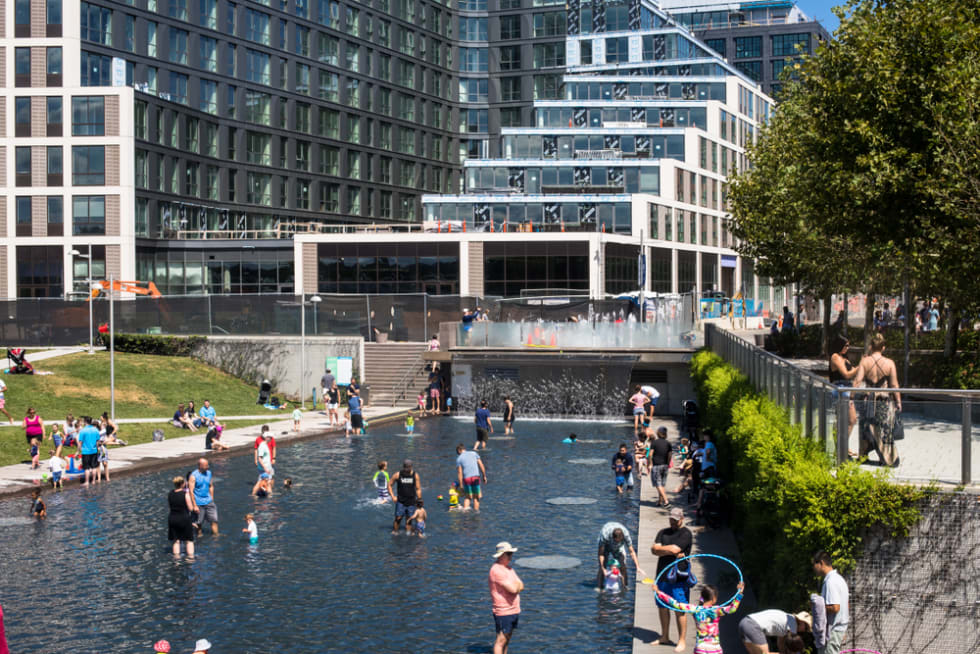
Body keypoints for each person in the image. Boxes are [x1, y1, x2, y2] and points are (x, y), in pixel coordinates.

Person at [852, 333, 901, 467]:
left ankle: (863, 455)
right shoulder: (889, 363)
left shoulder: (865, 361)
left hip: (867, 400)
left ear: (871, 347)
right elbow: (894, 385)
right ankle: (886, 457)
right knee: (884, 429)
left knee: (865, 427)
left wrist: (851, 397)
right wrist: (898, 402)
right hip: (883, 400)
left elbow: (857, 381)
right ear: (883, 348)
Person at [654, 582, 744, 654]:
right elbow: (732, 608)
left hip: (700, 647)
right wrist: (739, 593)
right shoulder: (716, 610)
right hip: (714, 648)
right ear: (714, 598)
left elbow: (675, 604)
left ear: (702, 597)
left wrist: (659, 592)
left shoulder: (695, 609)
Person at [652, 507, 694, 651]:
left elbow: (674, 549)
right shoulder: (662, 532)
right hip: (662, 576)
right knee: (662, 607)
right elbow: (653, 550)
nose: (673, 522)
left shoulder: (686, 533)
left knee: (679, 608)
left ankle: (681, 640)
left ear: (682, 519)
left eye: (675, 520)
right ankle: (664, 636)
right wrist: (668, 550)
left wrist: (662, 549)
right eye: (671, 519)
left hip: (679, 577)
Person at [489, 542, 523, 654]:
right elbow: (514, 589)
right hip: (504, 611)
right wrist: (516, 586)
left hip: (513, 610)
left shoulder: (509, 569)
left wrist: (516, 586)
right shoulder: (497, 571)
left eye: (511, 553)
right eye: (508, 553)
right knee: (501, 640)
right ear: (501, 555)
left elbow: (521, 585)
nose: (511, 556)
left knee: (507, 639)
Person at [812, 551, 849, 654]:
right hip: (838, 629)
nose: (813, 568)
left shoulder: (831, 581)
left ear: (821, 563)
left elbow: (835, 607)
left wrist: (817, 607)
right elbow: (846, 605)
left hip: (832, 631)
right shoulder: (839, 579)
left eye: (814, 564)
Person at [596, 521, 644, 590]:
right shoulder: (605, 534)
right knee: (603, 567)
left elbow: (632, 552)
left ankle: (625, 586)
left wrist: (637, 567)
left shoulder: (626, 535)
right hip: (605, 545)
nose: (618, 542)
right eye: (616, 541)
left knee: (622, 566)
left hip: (618, 548)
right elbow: (600, 554)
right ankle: (600, 587)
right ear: (613, 538)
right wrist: (602, 567)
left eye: (620, 541)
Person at [829, 335, 859, 444]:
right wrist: (859, 367)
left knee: (850, 420)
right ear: (839, 345)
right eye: (846, 345)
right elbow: (846, 374)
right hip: (840, 389)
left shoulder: (844, 358)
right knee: (847, 420)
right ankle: (840, 447)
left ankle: (842, 446)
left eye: (849, 346)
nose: (848, 348)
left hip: (847, 389)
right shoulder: (835, 357)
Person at [738, 610, 811, 654]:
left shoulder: (787, 618)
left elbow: (780, 642)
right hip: (753, 626)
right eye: (806, 628)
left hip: (744, 622)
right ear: (802, 622)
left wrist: (783, 652)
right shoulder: (793, 624)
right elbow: (794, 647)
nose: (804, 631)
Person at [388, 459, 421, 534]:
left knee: (409, 519)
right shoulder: (398, 474)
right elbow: (389, 485)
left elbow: (418, 489)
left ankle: (408, 534)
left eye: (409, 467)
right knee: (398, 518)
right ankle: (395, 532)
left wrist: (419, 500)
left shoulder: (415, 475)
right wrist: (393, 496)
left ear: (411, 467)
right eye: (406, 467)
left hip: (411, 501)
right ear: (404, 467)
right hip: (400, 501)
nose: (408, 469)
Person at [168, 476, 196, 558]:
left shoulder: (170, 493)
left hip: (172, 518)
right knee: (189, 540)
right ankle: (190, 558)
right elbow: (190, 508)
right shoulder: (185, 494)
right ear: (182, 484)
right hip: (183, 518)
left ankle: (177, 560)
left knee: (176, 541)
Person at [189, 458, 219, 535]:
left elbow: (211, 486)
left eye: (208, 465)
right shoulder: (193, 476)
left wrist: (212, 498)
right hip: (198, 503)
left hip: (209, 501)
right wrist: (194, 505)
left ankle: (216, 536)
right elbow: (191, 491)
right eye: (206, 465)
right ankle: (199, 536)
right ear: (200, 466)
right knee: (199, 523)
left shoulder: (209, 473)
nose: (208, 466)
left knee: (214, 521)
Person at [456, 443, 488, 511]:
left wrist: (461, 485)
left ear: (459, 450)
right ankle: (476, 512)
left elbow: (459, 473)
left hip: (467, 479)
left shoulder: (459, 458)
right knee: (476, 497)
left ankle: (465, 514)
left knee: (468, 497)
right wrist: (484, 476)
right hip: (475, 478)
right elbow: (481, 465)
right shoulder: (474, 453)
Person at [650, 426, 673, 507]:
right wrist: (667, 463)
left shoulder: (654, 442)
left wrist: (649, 464)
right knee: (662, 484)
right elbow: (670, 455)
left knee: (658, 484)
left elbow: (650, 454)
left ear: (658, 433)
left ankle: (666, 501)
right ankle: (660, 501)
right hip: (665, 466)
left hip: (657, 465)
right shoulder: (668, 443)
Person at [78, 416, 101, 487]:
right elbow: (98, 441)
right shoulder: (96, 430)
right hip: (94, 451)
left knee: (87, 467)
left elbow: (80, 443)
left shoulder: (83, 431)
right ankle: (93, 481)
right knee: (94, 467)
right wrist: (97, 449)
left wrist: (77, 451)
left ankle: (87, 482)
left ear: (85, 422)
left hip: (86, 452)